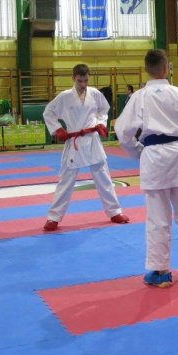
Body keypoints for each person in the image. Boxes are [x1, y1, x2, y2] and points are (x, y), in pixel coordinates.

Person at [114, 49, 178, 288]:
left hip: (154, 157)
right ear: (166, 68)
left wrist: (137, 151)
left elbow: (122, 131)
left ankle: (161, 272)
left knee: (158, 218)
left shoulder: (139, 97)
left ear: (146, 69)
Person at [42, 63, 129, 231]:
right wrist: (57, 129)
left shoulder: (95, 94)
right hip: (74, 141)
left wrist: (101, 123)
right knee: (66, 181)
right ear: (73, 78)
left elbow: (104, 109)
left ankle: (115, 211)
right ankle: (53, 217)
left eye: (86, 81)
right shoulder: (64, 97)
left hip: (92, 140)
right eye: (80, 81)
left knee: (104, 177)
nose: (83, 84)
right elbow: (48, 113)